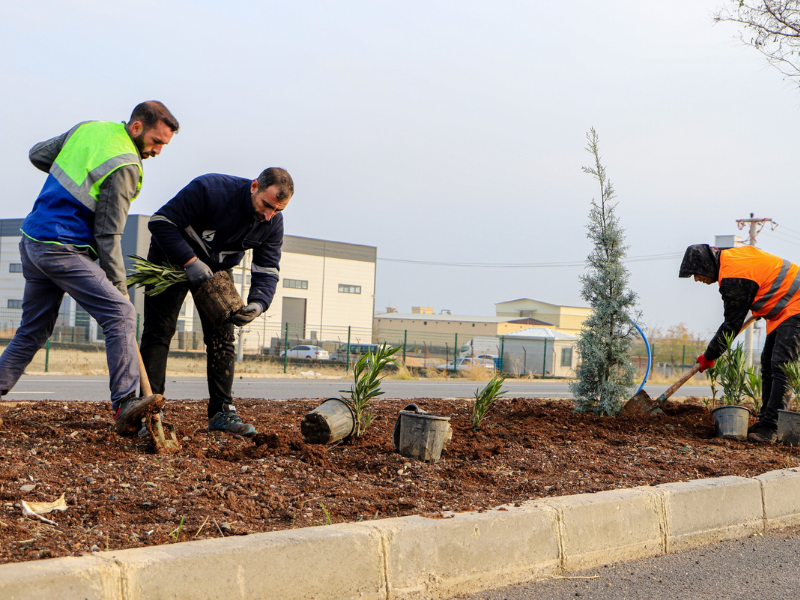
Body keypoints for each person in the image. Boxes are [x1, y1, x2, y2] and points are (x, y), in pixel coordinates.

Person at [0, 101, 180, 436]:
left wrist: (72, 185)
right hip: (61, 247)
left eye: (164, 145)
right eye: (156, 142)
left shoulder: (90, 129)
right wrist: (118, 284)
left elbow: (38, 154)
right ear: (137, 127)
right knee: (121, 313)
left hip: (33, 240)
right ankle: (125, 404)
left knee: (33, 329)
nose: (157, 150)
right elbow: (108, 234)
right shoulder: (125, 165)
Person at [140, 168, 293, 436]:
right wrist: (190, 261)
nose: (269, 214)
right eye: (266, 205)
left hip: (217, 271)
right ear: (254, 186)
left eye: (277, 210)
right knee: (158, 333)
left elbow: (267, 268)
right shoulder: (211, 190)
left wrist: (258, 303)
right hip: (171, 259)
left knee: (223, 335)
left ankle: (221, 412)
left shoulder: (272, 223)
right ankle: (151, 413)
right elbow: (161, 221)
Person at [680, 243, 800, 442]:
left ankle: (771, 428)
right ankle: (765, 422)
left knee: (781, 366)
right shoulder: (731, 259)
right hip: (783, 309)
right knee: (769, 365)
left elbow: (731, 325)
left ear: (708, 265)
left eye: (697, 273)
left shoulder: (734, 275)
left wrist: (709, 356)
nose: (697, 279)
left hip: (794, 306)